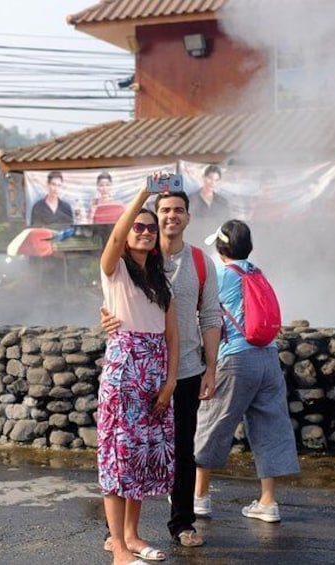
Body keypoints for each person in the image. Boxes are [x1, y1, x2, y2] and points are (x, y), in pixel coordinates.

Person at [102, 190, 221, 548]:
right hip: (136, 372)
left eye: (178, 211)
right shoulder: (133, 263)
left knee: (181, 450)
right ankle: (119, 535)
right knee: (126, 449)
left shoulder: (200, 263)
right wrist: (105, 318)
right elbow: (116, 294)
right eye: (164, 210)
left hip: (182, 369)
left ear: (187, 217)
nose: (171, 217)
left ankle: (181, 522)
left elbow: (210, 316)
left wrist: (211, 368)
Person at [194, 220, 300, 523]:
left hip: (236, 359)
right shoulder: (256, 272)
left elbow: (199, 310)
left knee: (213, 423)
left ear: (221, 246)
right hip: (268, 357)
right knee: (270, 426)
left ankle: (199, 497)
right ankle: (268, 502)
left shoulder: (222, 275)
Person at [98, 181, 179, 565]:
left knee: (142, 457)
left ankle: (132, 535)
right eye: (139, 227)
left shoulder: (161, 282)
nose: (145, 232)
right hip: (123, 371)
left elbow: (173, 337)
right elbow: (115, 235)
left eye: (151, 228)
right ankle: (117, 544)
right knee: (118, 456)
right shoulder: (115, 271)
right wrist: (146, 196)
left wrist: (170, 383)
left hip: (155, 371)